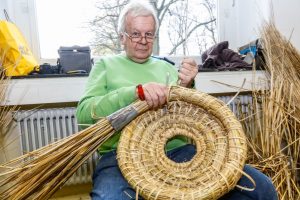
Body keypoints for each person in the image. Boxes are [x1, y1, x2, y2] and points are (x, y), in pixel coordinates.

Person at [76, 1, 278, 199]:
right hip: (118, 156)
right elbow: (84, 114)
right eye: (135, 34)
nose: (143, 40)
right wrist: (135, 92)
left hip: (175, 150)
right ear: (122, 37)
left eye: (149, 34)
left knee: (261, 187)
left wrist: (187, 86)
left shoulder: (166, 68)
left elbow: (186, 115)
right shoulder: (105, 65)